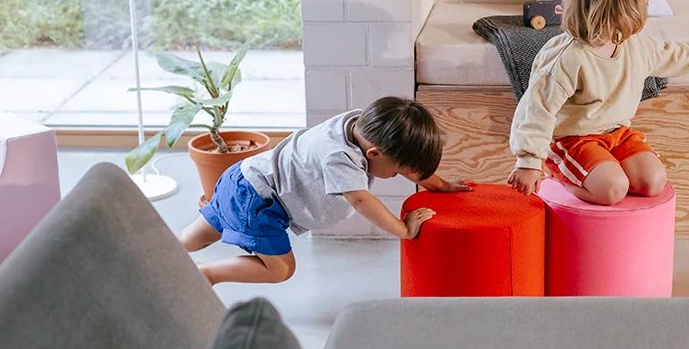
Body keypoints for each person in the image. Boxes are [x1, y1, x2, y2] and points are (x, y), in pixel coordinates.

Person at [507, 0, 689, 205]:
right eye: (644, 3)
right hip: (573, 139)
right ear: (620, 9)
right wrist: (529, 161)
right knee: (612, 190)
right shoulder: (568, 58)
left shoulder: (632, 44)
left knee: (653, 182)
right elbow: (536, 110)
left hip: (616, 132)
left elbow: (669, 55)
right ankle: (557, 175)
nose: (647, 9)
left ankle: (599, 171)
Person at [178, 96, 472, 285]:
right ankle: (209, 273)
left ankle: (154, 257)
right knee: (280, 269)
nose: (395, 176)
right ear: (374, 154)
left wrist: (443, 185)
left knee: (192, 238)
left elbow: (409, 165)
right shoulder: (340, 158)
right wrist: (403, 230)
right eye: (395, 172)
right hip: (259, 204)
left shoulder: (359, 123)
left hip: (242, 177)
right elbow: (360, 199)